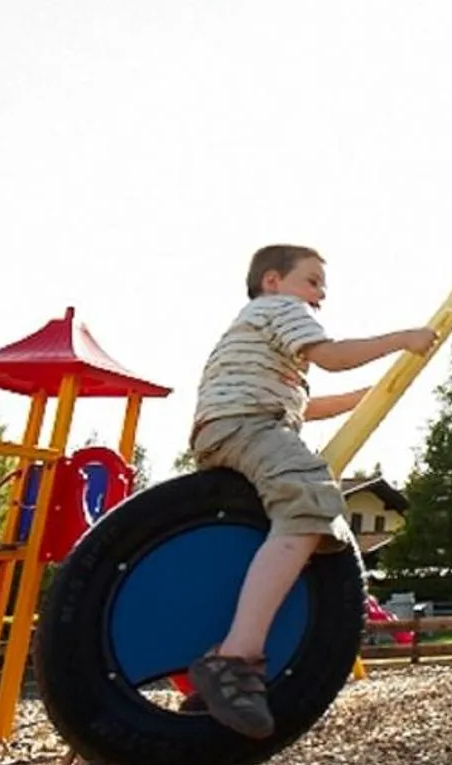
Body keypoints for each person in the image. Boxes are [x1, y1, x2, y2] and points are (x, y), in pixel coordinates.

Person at [184, 245, 438, 739]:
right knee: (310, 500)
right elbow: (335, 356)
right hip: (250, 426)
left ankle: (223, 664)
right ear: (273, 281)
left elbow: (306, 405)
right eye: (312, 281)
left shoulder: (260, 341)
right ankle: (235, 658)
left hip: (229, 428)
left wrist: (370, 398)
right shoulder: (281, 309)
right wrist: (402, 339)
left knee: (283, 517)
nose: (320, 294)